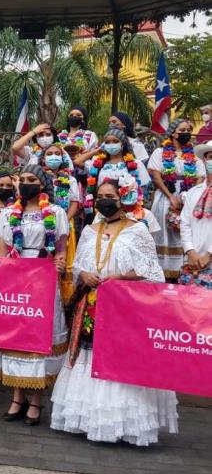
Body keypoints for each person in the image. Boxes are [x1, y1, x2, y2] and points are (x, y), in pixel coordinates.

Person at [51, 180, 178, 446]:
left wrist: (118, 278)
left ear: (123, 199)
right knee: (90, 355)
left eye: (110, 196)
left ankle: (122, 424)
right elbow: (79, 268)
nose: (104, 200)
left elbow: (151, 272)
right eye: (100, 196)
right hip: (92, 304)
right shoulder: (89, 230)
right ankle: (87, 420)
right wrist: (83, 273)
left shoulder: (137, 230)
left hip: (123, 307)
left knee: (118, 359)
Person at [0, 164, 69, 425]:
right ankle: (16, 397)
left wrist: (59, 263)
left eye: (31, 179)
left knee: (39, 337)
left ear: (43, 184)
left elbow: (60, 249)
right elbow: (2, 249)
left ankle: (36, 401)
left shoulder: (56, 213)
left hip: (43, 279)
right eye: (21, 179)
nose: (25, 183)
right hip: (15, 280)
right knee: (17, 336)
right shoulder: (9, 214)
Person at [148, 119, 206, 281]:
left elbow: (200, 177)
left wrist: (189, 197)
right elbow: (156, 176)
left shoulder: (193, 155)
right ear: (173, 133)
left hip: (189, 199)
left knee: (186, 232)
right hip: (166, 197)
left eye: (189, 129)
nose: (186, 132)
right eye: (182, 129)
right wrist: (171, 196)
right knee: (165, 232)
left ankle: (184, 271)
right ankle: (163, 273)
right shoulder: (160, 153)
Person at [40, 143, 80, 304]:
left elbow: (75, 203)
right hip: (42, 223)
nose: (54, 156)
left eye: (57, 153)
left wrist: (64, 220)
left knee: (62, 260)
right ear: (43, 158)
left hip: (65, 223)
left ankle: (64, 301)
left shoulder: (69, 179)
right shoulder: (39, 177)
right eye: (49, 153)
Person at [76, 126, 151, 203]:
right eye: (107, 142)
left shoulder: (136, 163)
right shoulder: (98, 164)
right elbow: (77, 162)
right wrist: (96, 151)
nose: (111, 144)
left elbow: (142, 188)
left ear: (122, 144)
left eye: (115, 141)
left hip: (127, 208)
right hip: (102, 207)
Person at [179, 142, 212, 288]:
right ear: (205, 160)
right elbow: (185, 223)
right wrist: (190, 251)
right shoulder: (194, 192)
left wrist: (209, 254)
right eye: (211, 157)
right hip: (193, 260)